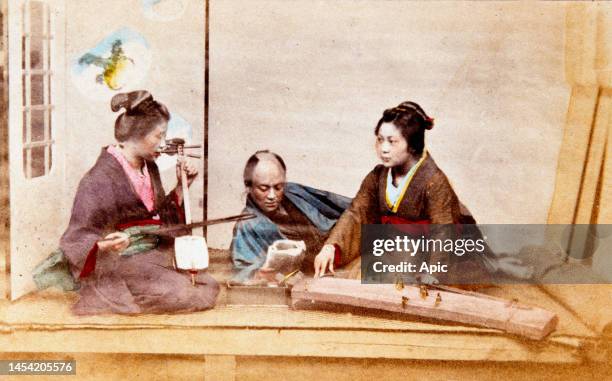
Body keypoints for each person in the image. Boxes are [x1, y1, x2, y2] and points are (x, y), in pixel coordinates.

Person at [313, 101, 522, 284]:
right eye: (379, 139)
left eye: (392, 141)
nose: (383, 148)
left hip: (436, 250)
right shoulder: (378, 175)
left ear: (412, 145)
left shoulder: (434, 181)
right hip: (398, 245)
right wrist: (331, 246)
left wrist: (434, 272)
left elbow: (443, 230)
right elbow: (356, 211)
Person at [59, 90, 219, 315]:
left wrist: (183, 186)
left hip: (150, 257)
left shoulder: (148, 167)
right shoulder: (99, 178)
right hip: (119, 264)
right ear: (137, 133)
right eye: (158, 136)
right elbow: (77, 237)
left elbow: (160, 220)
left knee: (208, 285)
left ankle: (156, 285)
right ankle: (130, 296)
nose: (163, 144)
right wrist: (103, 245)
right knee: (189, 293)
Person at [230, 150, 351, 283]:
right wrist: (262, 274)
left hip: (338, 249)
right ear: (249, 186)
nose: (272, 196)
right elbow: (242, 271)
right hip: (315, 279)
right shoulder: (247, 225)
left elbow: (342, 205)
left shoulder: (293, 191)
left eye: (278, 187)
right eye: (263, 188)